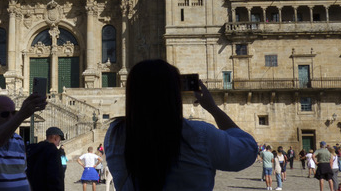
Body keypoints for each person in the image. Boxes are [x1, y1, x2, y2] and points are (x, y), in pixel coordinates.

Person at [104, 59, 258, 191]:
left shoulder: (115, 135)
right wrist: (213, 108)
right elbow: (248, 150)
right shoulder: (200, 134)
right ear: (174, 93)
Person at [26, 127, 64, 191]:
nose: (58, 143)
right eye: (59, 140)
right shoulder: (53, 151)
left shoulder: (33, 149)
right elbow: (55, 176)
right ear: (55, 138)